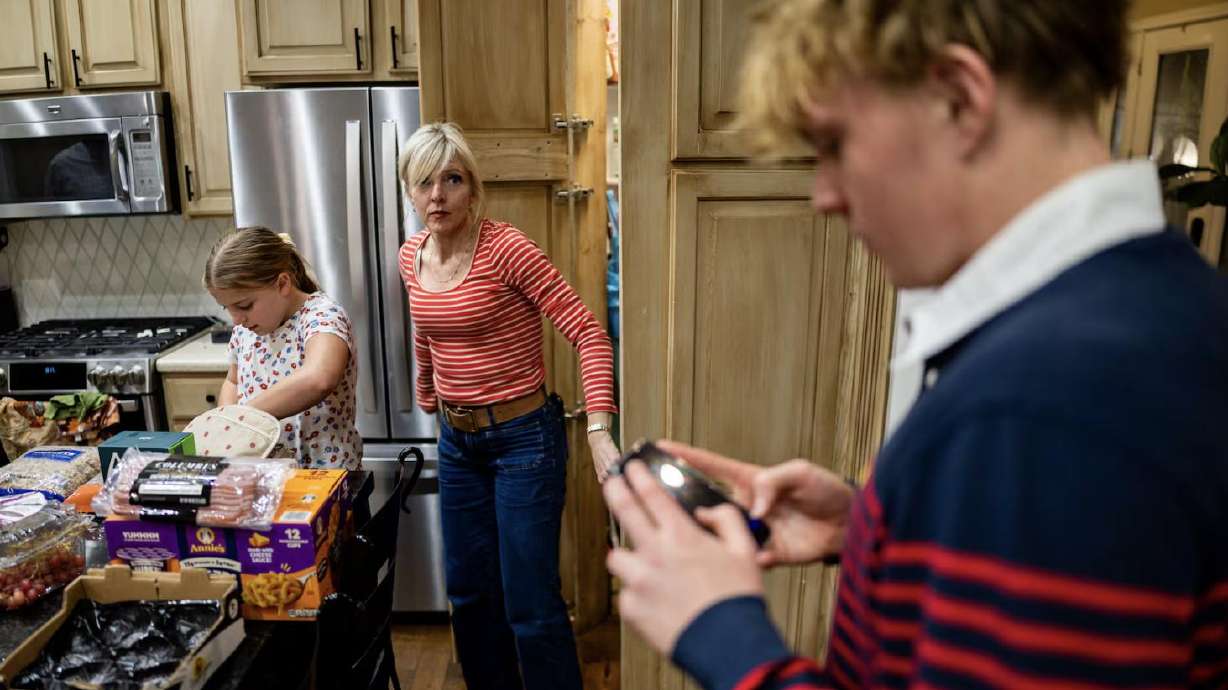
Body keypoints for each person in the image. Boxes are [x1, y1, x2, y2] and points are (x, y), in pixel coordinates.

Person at [604, 0, 1228, 688]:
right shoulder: (1162, 302)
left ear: (960, 99)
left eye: (835, 145)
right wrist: (874, 527)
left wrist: (725, 638)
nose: (824, 196)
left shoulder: (1043, 409)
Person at [397, 121, 619, 690]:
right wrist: (427, 392)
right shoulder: (411, 256)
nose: (438, 195)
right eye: (424, 182)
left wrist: (598, 429)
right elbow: (427, 332)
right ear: (409, 190)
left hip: (524, 441)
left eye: (452, 180)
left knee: (529, 603)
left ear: (472, 188)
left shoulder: (506, 249)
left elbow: (589, 333)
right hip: (458, 443)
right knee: (470, 596)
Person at [204, 226, 361, 469]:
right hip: (265, 475)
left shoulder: (321, 316)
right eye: (228, 308)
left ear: (283, 283)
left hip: (323, 475)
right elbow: (233, 381)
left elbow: (319, 378)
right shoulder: (245, 329)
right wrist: (227, 426)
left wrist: (243, 417)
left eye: (244, 305)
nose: (236, 319)